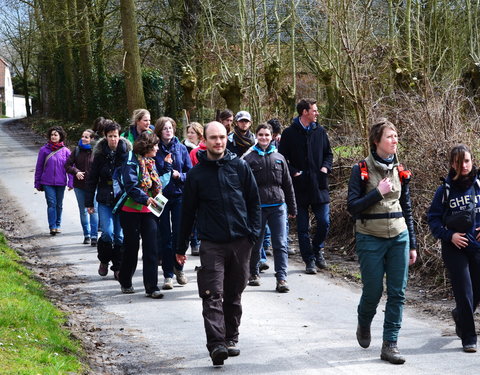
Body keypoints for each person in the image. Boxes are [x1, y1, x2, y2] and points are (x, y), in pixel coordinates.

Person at [176, 121, 261, 367]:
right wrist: (179, 248)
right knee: (212, 293)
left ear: (227, 138)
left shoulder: (240, 167)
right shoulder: (196, 175)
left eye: (222, 137)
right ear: (206, 140)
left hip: (240, 242)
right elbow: (187, 213)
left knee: (234, 293)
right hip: (211, 243)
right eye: (213, 138)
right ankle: (216, 345)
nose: (219, 142)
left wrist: (252, 235)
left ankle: (230, 338)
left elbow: (254, 203)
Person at [347, 119, 417, 364]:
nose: (395, 140)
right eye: (390, 137)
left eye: (396, 136)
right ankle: (364, 321)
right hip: (370, 237)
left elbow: (406, 207)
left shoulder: (401, 169)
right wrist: (378, 192)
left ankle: (390, 344)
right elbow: (352, 208)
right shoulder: (361, 169)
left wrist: (413, 243)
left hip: (399, 236)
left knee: (397, 293)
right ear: (376, 141)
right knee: (373, 291)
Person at [428, 144, 480, 353]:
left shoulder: (478, 185)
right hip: (454, 248)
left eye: (467, 161)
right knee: (464, 292)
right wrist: (450, 236)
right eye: (459, 162)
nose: (464, 165)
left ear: (472, 161)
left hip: (476, 246)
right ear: (452, 164)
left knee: (477, 290)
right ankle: (468, 336)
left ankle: (460, 315)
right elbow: (432, 220)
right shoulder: (444, 190)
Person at [278, 98, 333, 273]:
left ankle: (317, 250)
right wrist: (294, 171)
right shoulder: (289, 133)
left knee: (324, 222)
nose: (317, 113)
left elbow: (329, 154)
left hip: (319, 185)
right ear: (305, 112)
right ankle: (309, 260)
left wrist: (325, 167)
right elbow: (281, 158)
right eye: (314, 110)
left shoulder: (320, 131)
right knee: (302, 228)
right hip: (299, 187)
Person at [243, 123, 297, 292]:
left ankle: (281, 278)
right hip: (257, 208)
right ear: (256, 136)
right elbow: (242, 187)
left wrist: (293, 207)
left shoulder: (279, 158)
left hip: (278, 207)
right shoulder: (248, 159)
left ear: (272, 136)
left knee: (280, 243)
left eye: (267, 135)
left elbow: (288, 185)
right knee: (256, 243)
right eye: (261, 135)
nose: (264, 138)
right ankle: (253, 273)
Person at [117, 132, 165, 298]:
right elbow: (131, 186)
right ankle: (125, 279)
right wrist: (146, 199)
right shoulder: (131, 161)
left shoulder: (151, 162)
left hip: (149, 211)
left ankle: (152, 287)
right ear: (148, 147)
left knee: (151, 248)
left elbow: (157, 184)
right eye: (156, 145)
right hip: (130, 211)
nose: (158, 148)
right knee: (131, 247)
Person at [85, 120, 130, 278]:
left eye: (116, 136)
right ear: (105, 137)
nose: (113, 139)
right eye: (110, 136)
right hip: (104, 198)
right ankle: (104, 260)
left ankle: (117, 267)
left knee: (119, 236)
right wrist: (89, 203)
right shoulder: (99, 155)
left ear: (120, 136)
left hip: (121, 199)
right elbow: (91, 180)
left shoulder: (126, 154)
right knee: (107, 233)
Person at [154, 117, 192, 290]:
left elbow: (190, 173)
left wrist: (179, 176)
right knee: (164, 237)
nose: (168, 131)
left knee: (179, 236)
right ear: (160, 131)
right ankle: (167, 275)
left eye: (170, 128)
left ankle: (179, 269)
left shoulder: (182, 148)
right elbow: (151, 172)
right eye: (165, 128)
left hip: (179, 196)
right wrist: (166, 168)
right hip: (160, 198)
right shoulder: (154, 149)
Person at [34, 126, 74, 235]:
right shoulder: (44, 150)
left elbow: (70, 167)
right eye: (52, 135)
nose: (53, 137)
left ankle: (58, 224)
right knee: (51, 203)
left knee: (59, 204)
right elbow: (39, 167)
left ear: (60, 136)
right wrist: (37, 182)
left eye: (56, 135)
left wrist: (71, 182)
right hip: (47, 182)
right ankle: (52, 226)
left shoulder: (65, 151)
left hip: (61, 182)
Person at [65, 129, 99, 245]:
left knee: (93, 210)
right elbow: (67, 165)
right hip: (79, 186)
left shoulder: (97, 151)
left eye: (86, 137)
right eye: (82, 136)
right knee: (83, 211)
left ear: (92, 139)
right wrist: (76, 172)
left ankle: (94, 236)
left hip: (94, 186)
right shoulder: (77, 150)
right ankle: (87, 235)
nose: (83, 139)